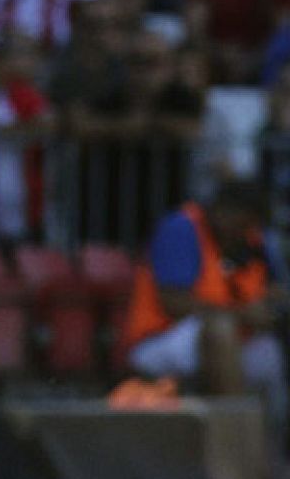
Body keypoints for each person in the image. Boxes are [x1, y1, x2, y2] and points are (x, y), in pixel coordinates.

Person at [121, 180, 288, 462]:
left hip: (237, 335)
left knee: (268, 353)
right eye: (241, 222)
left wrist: (270, 306)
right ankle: (235, 449)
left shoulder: (254, 238)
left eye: (251, 225)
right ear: (222, 211)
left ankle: (270, 453)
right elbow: (173, 302)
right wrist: (243, 314)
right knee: (220, 332)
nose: (245, 231)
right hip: (162, 339)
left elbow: (274, 290)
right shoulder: (182, 228)